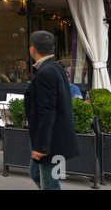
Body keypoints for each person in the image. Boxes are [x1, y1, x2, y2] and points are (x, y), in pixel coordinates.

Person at [24, 30, 79, 190]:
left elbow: (46, 111)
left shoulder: (46, 72)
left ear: (32, 49)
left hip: (51, 143)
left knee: (50, 185)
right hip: (54, 139)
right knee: (35, 172)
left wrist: (41, 146)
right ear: (53, 47)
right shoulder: (55, 68)